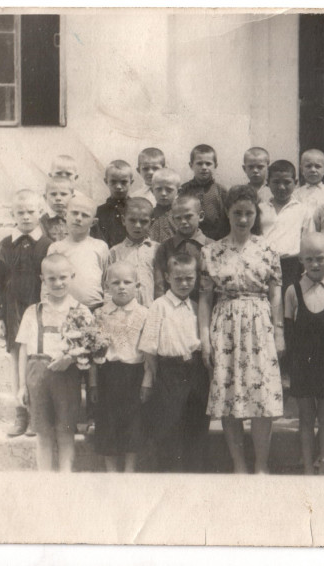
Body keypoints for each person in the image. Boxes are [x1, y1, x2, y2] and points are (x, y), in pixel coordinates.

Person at [199, 185, 285, 474]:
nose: (243, 219)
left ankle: (261, 465)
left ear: (256, 214)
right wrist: (205, 340)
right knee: (228, 397)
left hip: (260, 324)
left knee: (262, 398)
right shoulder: (211, 251)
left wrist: (279, 332)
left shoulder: (268, 250)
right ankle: (239, 465)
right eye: (237, 213)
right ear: (227, 212)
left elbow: (275, 294)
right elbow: (204, 298)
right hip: (224, 325)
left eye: (249, 213)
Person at [0, 189, 52, 437]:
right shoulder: (4, 245)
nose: (25, 216)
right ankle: (20, 414)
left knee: (37, 361)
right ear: (11, 214)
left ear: (40, 212)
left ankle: (36, 415)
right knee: (17, 362)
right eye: (20, 212)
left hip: (38, 309)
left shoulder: (48, 245)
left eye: (31, 211)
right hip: (13, 311)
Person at [15, 253, 92, 471]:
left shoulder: (81, 311)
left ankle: (65, 479)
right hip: (37, 377)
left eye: (63, 277)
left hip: (67, 377)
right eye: (52, 278)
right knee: (43, 434)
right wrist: (22, 386)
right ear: (43, 279)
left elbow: (90, 346)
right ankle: (45, 481)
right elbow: (23, 350)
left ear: (72, 276)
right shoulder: (33, 312)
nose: (58, 283)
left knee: (66, 432)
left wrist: (71, 358)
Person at [140, 253, 211, 472]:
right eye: (178, 279)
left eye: (189, 278)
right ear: (167, 277)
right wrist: (154, 377)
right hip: (169, 371)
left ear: (196, 277)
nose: (184, 284)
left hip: (196, 371)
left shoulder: (197, 306)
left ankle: (194, 476)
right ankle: (170, 479)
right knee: (169, 427)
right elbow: (149, 347)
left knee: (196, 426)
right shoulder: (159, 306)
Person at [90, 261, 152, 472]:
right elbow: (94, 351)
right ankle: (111, 471)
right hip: (107, 374)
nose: (122, 287)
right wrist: (93, 383)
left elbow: (148, 353)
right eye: (116, 283)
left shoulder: (144, 314)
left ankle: (129, 470)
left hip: (134, 374)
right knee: (107, 422)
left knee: (133, 422)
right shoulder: (100, 314)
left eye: (127, 282)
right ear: (106, 286)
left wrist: (147, 381)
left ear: (137, 285)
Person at [284, 233, 324, 475]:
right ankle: (307, 468)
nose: (315, 264)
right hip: (302, 364)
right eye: (309, 259)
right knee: (306, 419)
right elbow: (288, 331)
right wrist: (290, 367)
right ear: (301, 261)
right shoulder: (292, 291)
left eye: (320, 258)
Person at [259, 159, 314, 297]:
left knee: (289, 301)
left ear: (296, 182)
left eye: (287, 182)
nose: (281, 187)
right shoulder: (260, 209)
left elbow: (308, 241)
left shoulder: (303, 210)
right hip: (263, 264)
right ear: (268, 183)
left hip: (292, 266)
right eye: (276, 182)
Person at [47, 192, 109, 311]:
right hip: (64, 310)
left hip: (95, 309)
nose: (78, 218)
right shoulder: (56, 248)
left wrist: (106, 311)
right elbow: (47, 283)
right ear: (65, 215)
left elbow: (107, 282)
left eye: (85, 215)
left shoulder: (100, 247)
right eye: (74, 213)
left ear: (93, 222)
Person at [153, 194, 212, 301]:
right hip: (171, 306)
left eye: (188, 216)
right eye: (178, 218)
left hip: (204, 304)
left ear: (201, 216)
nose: (183, 222)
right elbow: (159, 284)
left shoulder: (212, 246)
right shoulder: (165, 247)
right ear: (173, 220)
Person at [107, 198, 159, 307]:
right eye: (132, 220)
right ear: (123, 220)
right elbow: (108, 285)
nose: (138, 225)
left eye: (144, 221)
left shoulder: (157, 249)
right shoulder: (115, 252)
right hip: (125, 310)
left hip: (152, 308)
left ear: (152, 222)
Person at [179, 144, 229, 241]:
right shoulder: (184, 190)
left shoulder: (221, 191)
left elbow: (227, 219)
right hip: (190, 240)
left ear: (215, 165)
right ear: (191, 165)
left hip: (216, 240)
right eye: (199, 163)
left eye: (208, 163)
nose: (204, 167)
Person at [92, 160, 134, 249]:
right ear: (106, 181)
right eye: (113, 182)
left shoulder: (136, 209)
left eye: (124, 182)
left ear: (131, 182)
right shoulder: (99, 212)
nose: (118, 186)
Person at [148, 168, 182, 244]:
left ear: (178, 191)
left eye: (169, 190)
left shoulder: (181, 215)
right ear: (152, 191)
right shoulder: (149, 215)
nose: (163, 193)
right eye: (159, 189)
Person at [40, 177, 74, 242]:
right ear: (45, 197)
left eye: (63, 194)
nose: (58, 198)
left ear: (72, 197)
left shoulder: (76, 219)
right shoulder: (42, 221)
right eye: (53, 194)